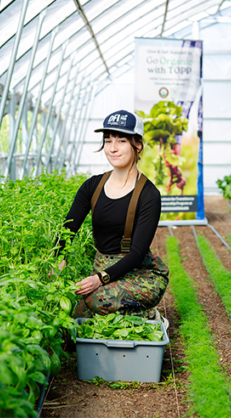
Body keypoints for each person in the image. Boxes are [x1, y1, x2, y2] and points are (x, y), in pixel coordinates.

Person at [59, 110, 168, 319]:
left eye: (121, 141)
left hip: (140, 273)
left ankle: (145, 313)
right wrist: (58, 256)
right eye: (108, 141)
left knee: (98, 299)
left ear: (138, 145)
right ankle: (125, 310)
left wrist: (99, 279)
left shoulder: (148, 194)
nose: (113, 148)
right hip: (103, 266)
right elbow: (68, 228)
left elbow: (137, 253)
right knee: (74, 318)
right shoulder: (92, 186)